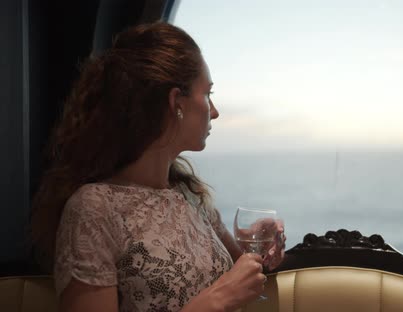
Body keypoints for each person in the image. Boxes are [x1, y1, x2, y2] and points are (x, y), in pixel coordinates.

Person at [30, 21, 286, 312]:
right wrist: (219, 299)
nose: (214, 111)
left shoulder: (189, 195)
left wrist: (262, 243)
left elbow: (245, 270)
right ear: (176, 101)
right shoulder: (93, 209)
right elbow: (225, 293)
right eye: (208, 94)